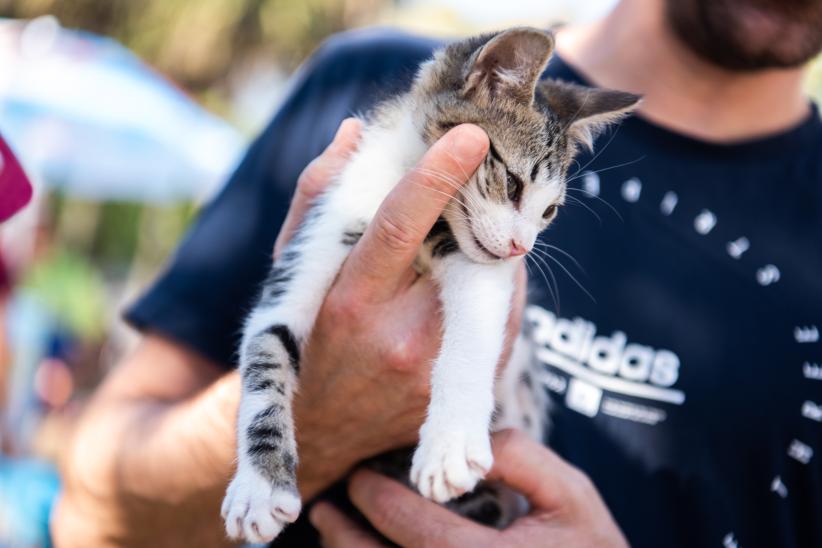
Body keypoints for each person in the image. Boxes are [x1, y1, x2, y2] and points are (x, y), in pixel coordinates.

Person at [53, 0, 822, 546]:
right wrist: (317, 421)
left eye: (545, 215)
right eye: (518, 197)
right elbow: (87, 515)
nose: (523, 244)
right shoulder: (357, 87)